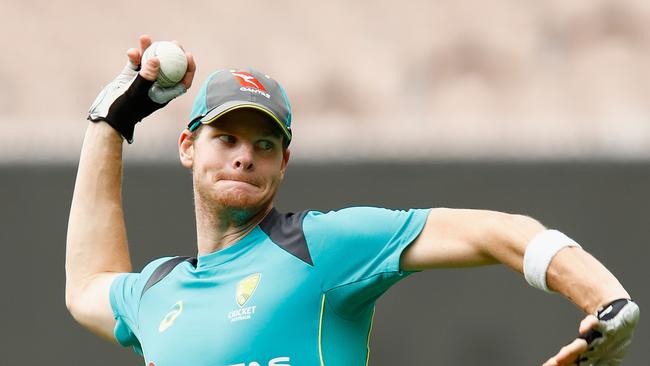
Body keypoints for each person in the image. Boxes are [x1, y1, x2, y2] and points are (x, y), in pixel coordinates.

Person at [66, 35, 639, 366]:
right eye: (227, 139)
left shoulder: (320, 247)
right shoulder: (159, 290)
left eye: (265, 144)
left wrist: (607, 302)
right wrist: (110, 120)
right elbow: (87, 286)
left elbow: (499, 231)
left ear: (283, 164)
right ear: (188, 146)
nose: (245, 156)